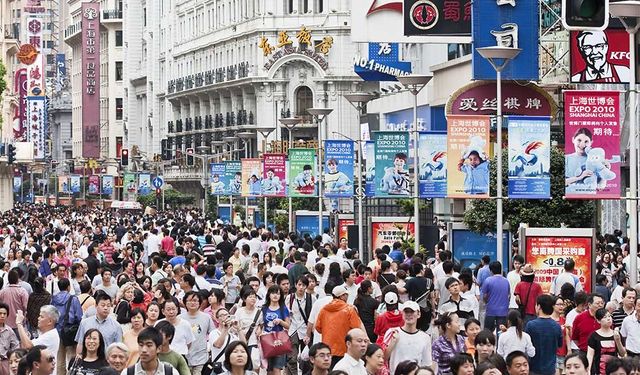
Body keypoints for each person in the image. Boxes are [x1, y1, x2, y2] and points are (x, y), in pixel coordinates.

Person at [315, 285, 364, 366]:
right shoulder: (349, 309)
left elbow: (318, 328)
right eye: (346, 295)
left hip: (327, 348)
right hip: (344, 348)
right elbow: (356, 329)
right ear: (342, 296)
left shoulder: (324, 309)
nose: (347, 297)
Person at [384, 301, 433, 375]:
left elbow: (427, 363)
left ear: (418, 314)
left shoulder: (425, 337)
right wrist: (392, 343)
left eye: (412, 312)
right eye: (406, 312)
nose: (409, 315)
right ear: (402, 314)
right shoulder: (392, 332)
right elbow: (383, 358)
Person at [75, 291, 123, 356]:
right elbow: (80, 343)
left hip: (106, 362)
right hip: (88, 360)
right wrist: (78, 359)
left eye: (108, 306)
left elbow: (118, 347)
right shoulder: (85, 323)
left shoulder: (116, 326)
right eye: (103, 305)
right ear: (96, 306)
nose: (106, 308)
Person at [525, 294, 563, 375]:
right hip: (550, 369)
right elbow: (560, 344)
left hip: (534, 368)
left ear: (539, 307)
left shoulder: (531, 325)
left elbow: (526, 346)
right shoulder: (557, 326)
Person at [180, 291, 215, 375]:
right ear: (185, 302)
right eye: (190, 300)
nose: (192, 303)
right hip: (184, 358)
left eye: (195, 300)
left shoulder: (206, 317)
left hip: (201, 358)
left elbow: (213, 334)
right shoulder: (180, 318)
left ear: (200, 303)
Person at [260, 284, 290, 375]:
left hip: (279, 341)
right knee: (269, 370)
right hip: (267, 341)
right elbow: (260, 324)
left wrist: (280, 321)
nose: (275, 295)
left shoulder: (283, 309)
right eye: (273, 293)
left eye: (278, 293)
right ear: (269, 294)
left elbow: (288, 325)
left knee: (277, 368)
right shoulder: (264, 308)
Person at [586, 308, 626, 375]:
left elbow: (622, 353)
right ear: (598, 321)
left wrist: (618, 340)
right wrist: (588, 369)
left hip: (614, 370)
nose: (608, 319)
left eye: (609, 316)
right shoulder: (594, 336)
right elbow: (590, 355)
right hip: (599, 370)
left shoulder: (617, 334)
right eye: (605, 317)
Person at [564, 129, 595, 196]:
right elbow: (562, 183)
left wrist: (606, 169)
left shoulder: (594, 160)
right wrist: (579, 177)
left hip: (589, 198)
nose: (582, 144)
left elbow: (601, 186)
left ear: (591, 142)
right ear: (573, 140)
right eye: (579, 140)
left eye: (586, 141)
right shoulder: (566, 158)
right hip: (569, 198)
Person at [482, 261, 510, 332]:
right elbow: (508, 295)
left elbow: (484, 296)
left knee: (488, 332)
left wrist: (486, 302)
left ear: (491, 270)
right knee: (501, 332)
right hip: (503, 311)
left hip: (490, 310)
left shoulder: (488, 280)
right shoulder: (506, 281)